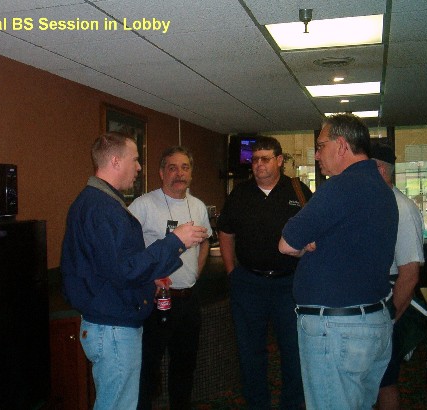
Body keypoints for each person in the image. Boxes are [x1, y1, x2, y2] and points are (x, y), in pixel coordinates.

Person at [60, 132, 209, 410]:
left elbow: (112, 266)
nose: (139, 167)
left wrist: (150, 279)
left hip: (109, 321)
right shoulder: (102, 208)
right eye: (135, 159)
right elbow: (124, 270)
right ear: (116, 161)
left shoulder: (100, 202)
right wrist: (175, 241)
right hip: (113, 327)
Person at [278, 113, 398, 410]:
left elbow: (286, 243)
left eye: (321, 146)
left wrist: (305, 246)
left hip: (338, 329)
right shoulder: (382, 189)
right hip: (373, 321)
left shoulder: (340, 187)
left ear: (342, 145)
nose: (317, 155)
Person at [216, 136, 311, 410]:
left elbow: (314, 231)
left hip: (289, 286)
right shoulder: (240, 193)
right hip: (249, 284)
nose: (258, 164)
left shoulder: (298, 191)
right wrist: (232, 271)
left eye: (265, 159)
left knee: (293, 350)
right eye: (254, 159)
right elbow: (225, 232)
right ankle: (257, 404)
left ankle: (292, 404)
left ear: (279, 160)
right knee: (250, 352)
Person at [129, 146, 212, 410]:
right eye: (172, 168)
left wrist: (196, 272)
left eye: (185, 167)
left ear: (191, 173)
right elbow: (128, 249)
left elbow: (205, 242)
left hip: (188, 300)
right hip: (155, 301)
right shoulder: (142, 205)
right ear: (161, 173)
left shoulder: (198, 206)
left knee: (185, 365)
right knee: (148, 367)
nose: (179, 173)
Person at [371, 142, 425, 410]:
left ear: (381, 170)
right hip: (373, 297)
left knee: (385, 380)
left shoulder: (401, 208)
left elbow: (410, 275)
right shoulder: (375, 203)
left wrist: (390, 319)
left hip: (390, 299)